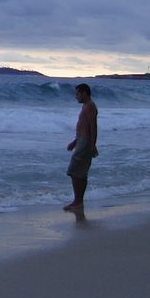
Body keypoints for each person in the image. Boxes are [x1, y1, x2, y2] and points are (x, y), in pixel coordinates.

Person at [65, 83, 98, 211]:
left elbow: (93, 127)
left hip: (85, 142)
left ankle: (77, 201)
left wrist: (92, 145)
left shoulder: (90, 106)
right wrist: (74, 142)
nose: (76, 97)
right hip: (81, 141)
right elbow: (83, 127)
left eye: (78, 94)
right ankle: (79, 201)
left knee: (75, 170)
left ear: (84, 93)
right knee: (79, 172)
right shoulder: (85, 106)